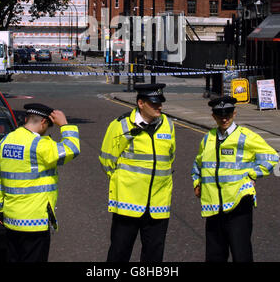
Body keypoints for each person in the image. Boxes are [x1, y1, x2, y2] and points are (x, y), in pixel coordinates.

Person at [192, 95, 279, 262]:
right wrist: (197, 182)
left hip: (238, 205)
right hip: (213, 206)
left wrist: (252, 174)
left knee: (241, 255)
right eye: (219, 114)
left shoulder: (245, 136)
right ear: (213, 116)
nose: (224, 118)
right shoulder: (208, 138)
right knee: (214, 256)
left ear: (235, 114)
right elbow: (198, 164)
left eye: (228, 114)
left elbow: (271, 156)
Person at [0, 102, 80, 262]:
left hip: (11, 220)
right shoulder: (40, 144)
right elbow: (72, 149)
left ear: (27, 118)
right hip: (34, 222)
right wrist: (66, 125)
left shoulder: (5, 141)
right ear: (43, 122)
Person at [99, 83, 175, 262]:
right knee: (119, 253)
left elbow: (169, 158)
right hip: (128, 203)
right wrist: (125, 183)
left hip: (158, 205)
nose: (159, 107)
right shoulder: (121, 125)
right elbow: (107, 160)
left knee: (154, 256)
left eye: (160, 103)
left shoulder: (168, 126)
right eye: (154, 103)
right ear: (141, 103)